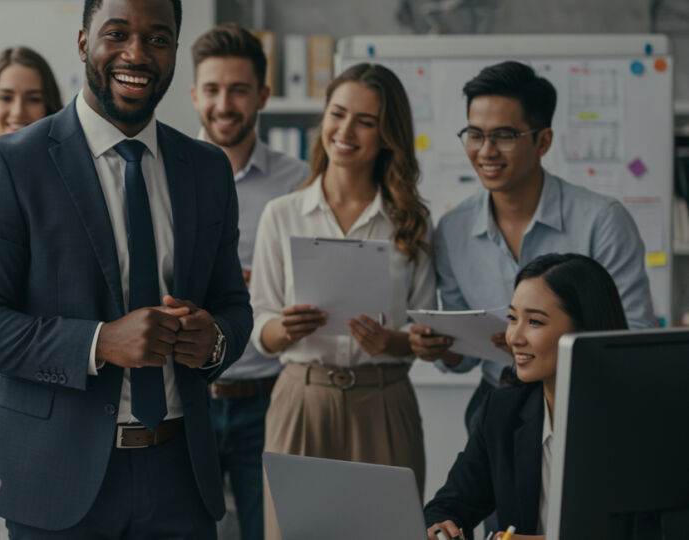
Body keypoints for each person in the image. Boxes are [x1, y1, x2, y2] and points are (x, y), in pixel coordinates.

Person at [0, 0, 252, 537]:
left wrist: (215, 341)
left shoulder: (207, 168)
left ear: (175, 50)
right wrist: (99, 342)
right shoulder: (11, 163)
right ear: (84, 42)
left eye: (157, 39)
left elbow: (233, 306)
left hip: (181, 478)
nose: (137, 54)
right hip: (55, 479)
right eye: (117, 34)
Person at [409, 61, 653, 436]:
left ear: (543, 141)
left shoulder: (602, 220)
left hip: (584, 401)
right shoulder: (453, 228)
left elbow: (632, 337)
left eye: (504, 135)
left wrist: (543, 351)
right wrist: (442, 348)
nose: (486, 151)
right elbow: (463, 356)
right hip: (496, 406)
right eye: (475, 134)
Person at [249, 63, 435, 539]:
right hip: (302, 400)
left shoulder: (410, 222)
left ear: (387, 135)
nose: (345, 131)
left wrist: (392, 341)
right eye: (337, 114)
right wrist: (283, 328)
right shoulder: (282, 213)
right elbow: (260, 321)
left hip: (384, 401)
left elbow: (424, 330)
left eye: (365, 122)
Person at [189, 22, 310, 540]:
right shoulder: (165, 172)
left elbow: (318, 287)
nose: (224, 104)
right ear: (194, 94)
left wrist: (263, 284)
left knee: (273, 532)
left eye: (239, 90)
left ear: (263, 94)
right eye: (212, 89)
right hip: (186, 396)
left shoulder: (299, 182)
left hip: (269, 397)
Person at [423, 253, 629, 540]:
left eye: (534, 322)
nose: (514, 338)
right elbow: (448, 506)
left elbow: (651, 530)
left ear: (584, 331)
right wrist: (441, 527)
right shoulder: (501, 411)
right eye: (512, 318)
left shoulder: (636, 421)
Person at [0, 46, 62, 155]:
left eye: (33, 99)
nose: (18, 112)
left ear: (49, 108)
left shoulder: (71, 163)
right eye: (6, 98)